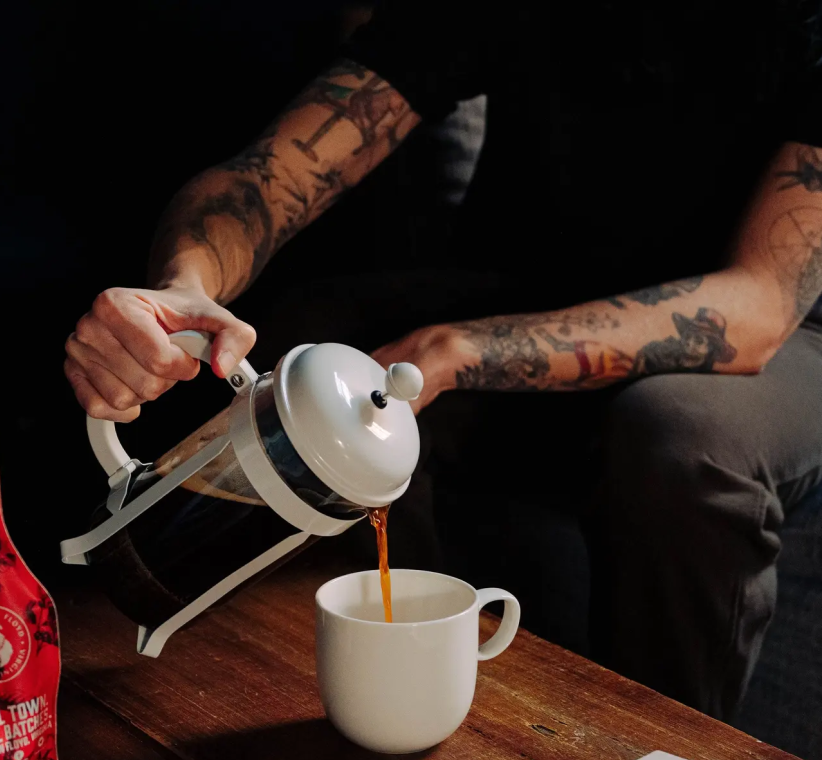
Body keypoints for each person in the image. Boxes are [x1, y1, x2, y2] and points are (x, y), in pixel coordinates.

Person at [64, 0, 822, 722]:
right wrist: (179, 293)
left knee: (681, 442)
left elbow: (755, 309)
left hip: (777, 342)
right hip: (532, 286)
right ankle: (403, 693)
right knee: (315, 353)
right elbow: (270, 176)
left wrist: (455, 350)